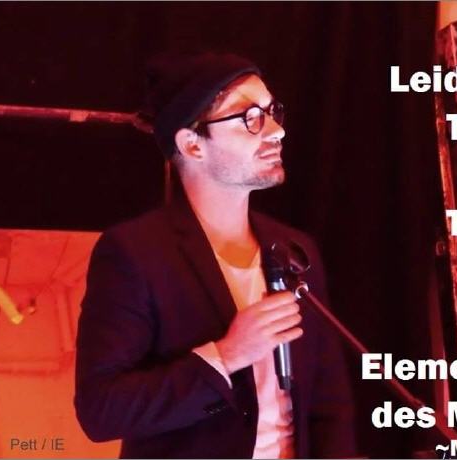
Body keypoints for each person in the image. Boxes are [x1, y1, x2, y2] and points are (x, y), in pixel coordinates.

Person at [74, 52, 356, 459]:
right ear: (192, 144)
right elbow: (101, 410)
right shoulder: (135, 253)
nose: (276, 131)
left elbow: (329, 405)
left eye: (272, 112)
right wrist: (225, 356)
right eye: (249, 117)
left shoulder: (294, 250)